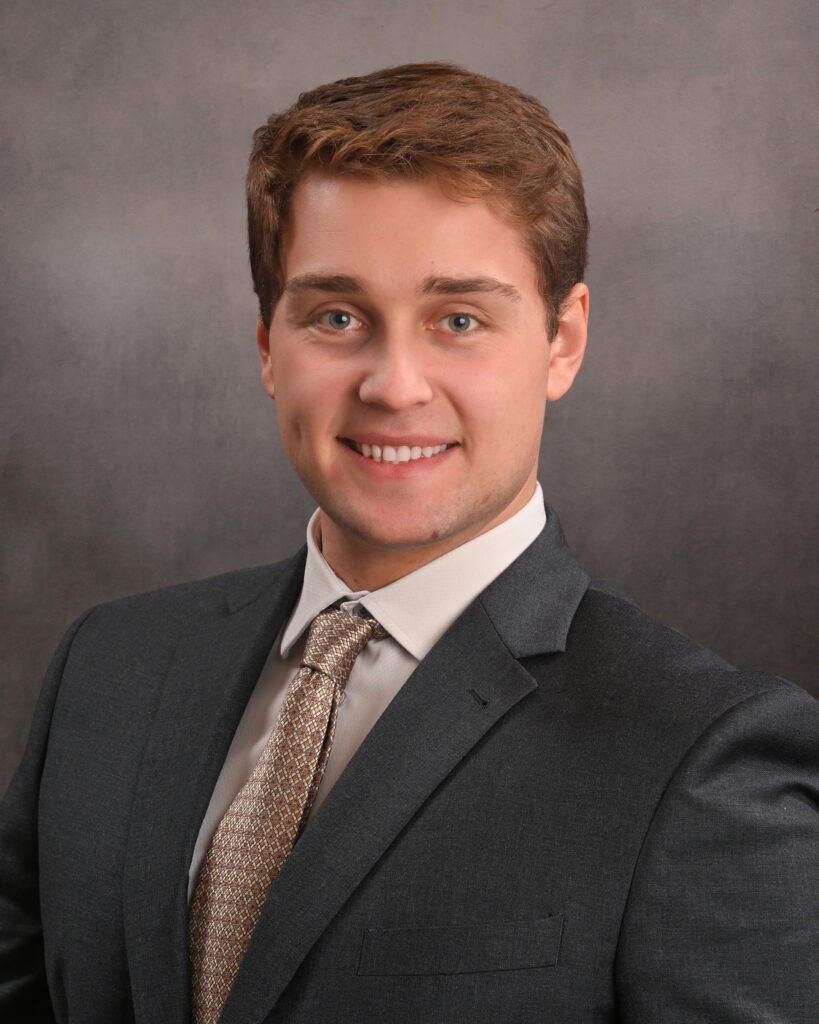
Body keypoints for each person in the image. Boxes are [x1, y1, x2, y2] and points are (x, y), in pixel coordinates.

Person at [1, 62, 817, 1024]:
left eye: (458, 320)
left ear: (563, 341)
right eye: (337, 317)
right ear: (268, 344)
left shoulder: (702, 759)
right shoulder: (110, 669)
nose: (394, 384)